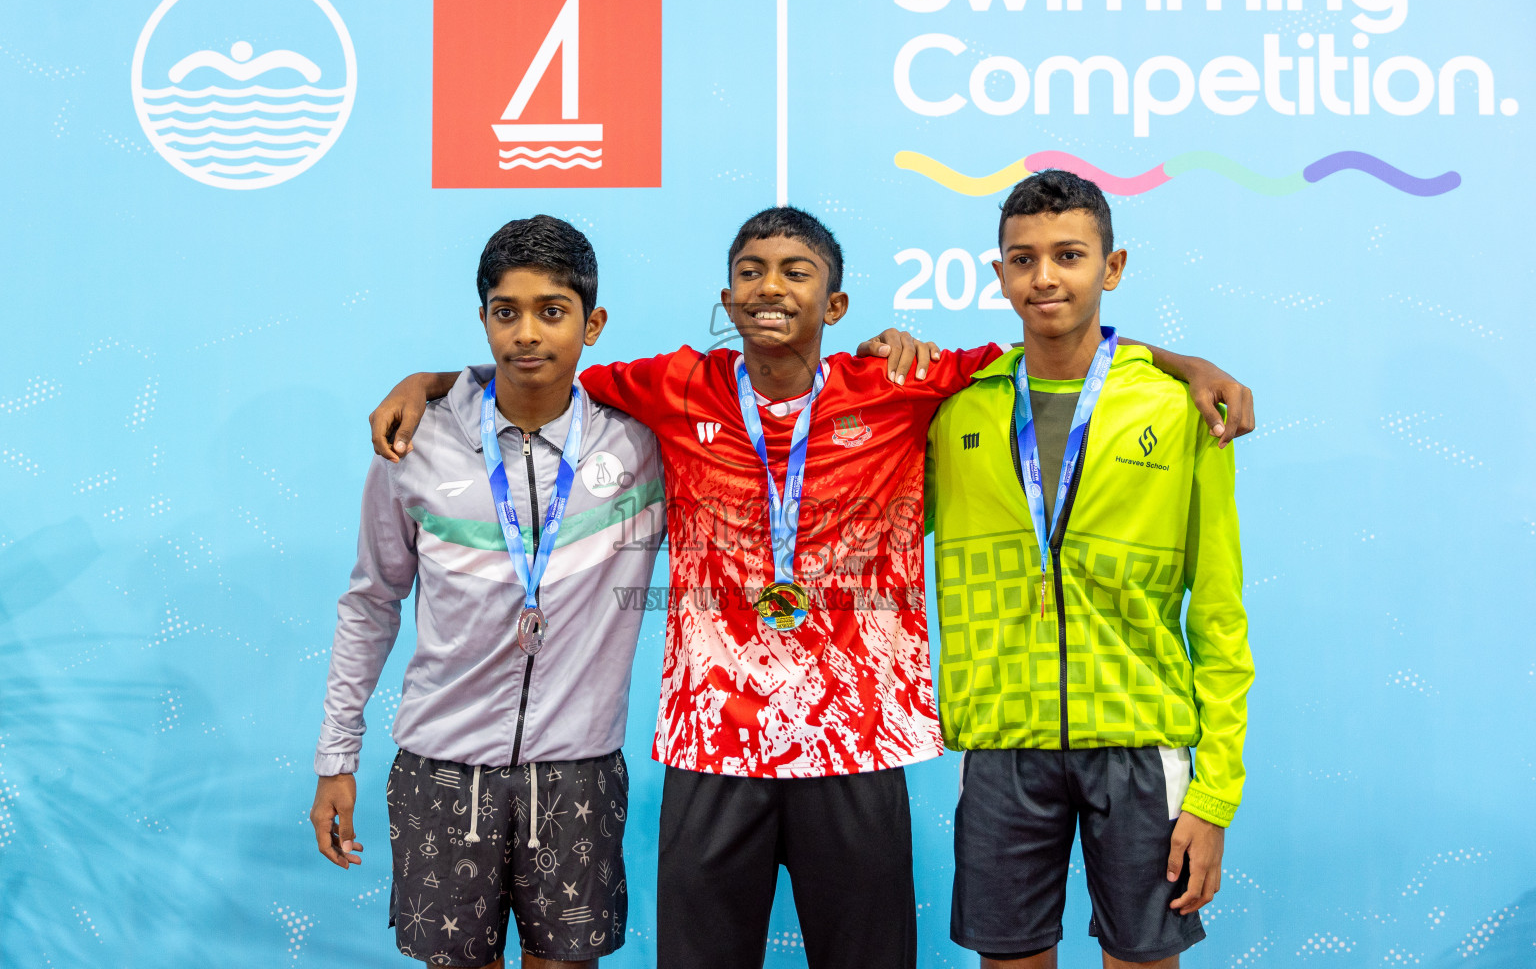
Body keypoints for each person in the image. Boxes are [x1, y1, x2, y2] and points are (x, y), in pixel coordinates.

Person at [368, 206, 1254, 969]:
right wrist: (434, 382)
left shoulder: (900, 384)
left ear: (833, 304)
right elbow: (539, 371)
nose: (770, 287)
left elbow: (1056, 340)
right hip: (712, 741)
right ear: (726, 301)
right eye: (749, 272)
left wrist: (1182, 364)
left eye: (796, 272)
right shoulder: (676, 385)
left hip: (857, 744)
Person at [309, 215, 667, 969]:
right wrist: (336, 756)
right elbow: (372, 601)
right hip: (442, 770)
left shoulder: (641, 447)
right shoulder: (414, 443)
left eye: (552, 311)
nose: (527, 334)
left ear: (592, 323)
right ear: (482, 321)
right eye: (506, 312)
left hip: (577, 772)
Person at [924, 170, 1255, 969]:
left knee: (1143, 961)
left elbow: (1218, 610)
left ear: (1112, 268)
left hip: (1141, 745)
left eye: (1069, 255)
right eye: (1022, 258)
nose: (1045, 277)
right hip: (1003, 742)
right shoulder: (956, 407)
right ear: (998, 273)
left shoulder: (1179, 410)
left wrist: (1213, 796)